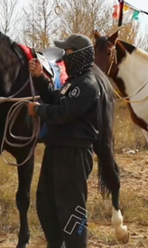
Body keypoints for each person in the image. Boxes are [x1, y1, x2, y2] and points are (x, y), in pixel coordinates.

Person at [27, 34, 103, 248]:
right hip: (57, 150)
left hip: (74, 154)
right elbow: (55, 98)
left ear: (79, 56)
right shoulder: (73, 83)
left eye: (67, 53)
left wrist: (38, 110)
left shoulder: (87, 85)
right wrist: (40, 78)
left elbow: (63, 113)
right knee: (46, 203)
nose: (64, 57)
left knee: (71, 208)